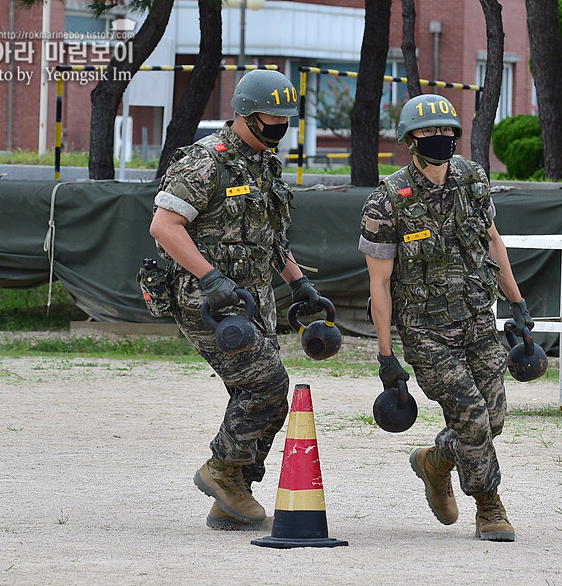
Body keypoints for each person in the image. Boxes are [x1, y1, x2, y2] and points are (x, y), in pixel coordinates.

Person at [149, 69, 323, 530]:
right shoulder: (205, 161)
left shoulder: (265, 164)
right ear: (246, 113)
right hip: (206, 301)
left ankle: (230, 499)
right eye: (273, 116)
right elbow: (164, 227)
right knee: (266, 383)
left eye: (288, 116)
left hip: (252, 302)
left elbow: (268, 240)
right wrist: (209, 278)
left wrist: (299, 283)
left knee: (266, 394)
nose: (281, 125)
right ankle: (222, 471)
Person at [358, 94, 533, 542]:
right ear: (410, 140)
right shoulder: (387, 202)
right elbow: (378, 285)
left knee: (492, 420)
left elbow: (494, 240)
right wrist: (385, 356)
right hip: (426, 333)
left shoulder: (473, 179)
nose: (441, 139)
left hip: (478, 321)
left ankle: (435, 462)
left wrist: (516, 303)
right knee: (472, 416)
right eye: (429, 132)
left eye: (448, 131)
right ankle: (489, 505)